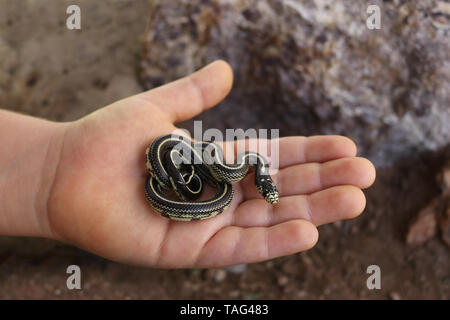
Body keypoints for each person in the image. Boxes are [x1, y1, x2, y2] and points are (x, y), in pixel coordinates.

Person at [0, 60, 375, 268]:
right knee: (201, 186)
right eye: (269, 191)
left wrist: (49, 167)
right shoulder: (227, 172)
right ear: (260, 179)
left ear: (258, 178)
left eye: (267, 191)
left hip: (187, 176)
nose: (268, 194)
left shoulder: (235, 174)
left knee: (212, 188)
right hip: (177, 173)